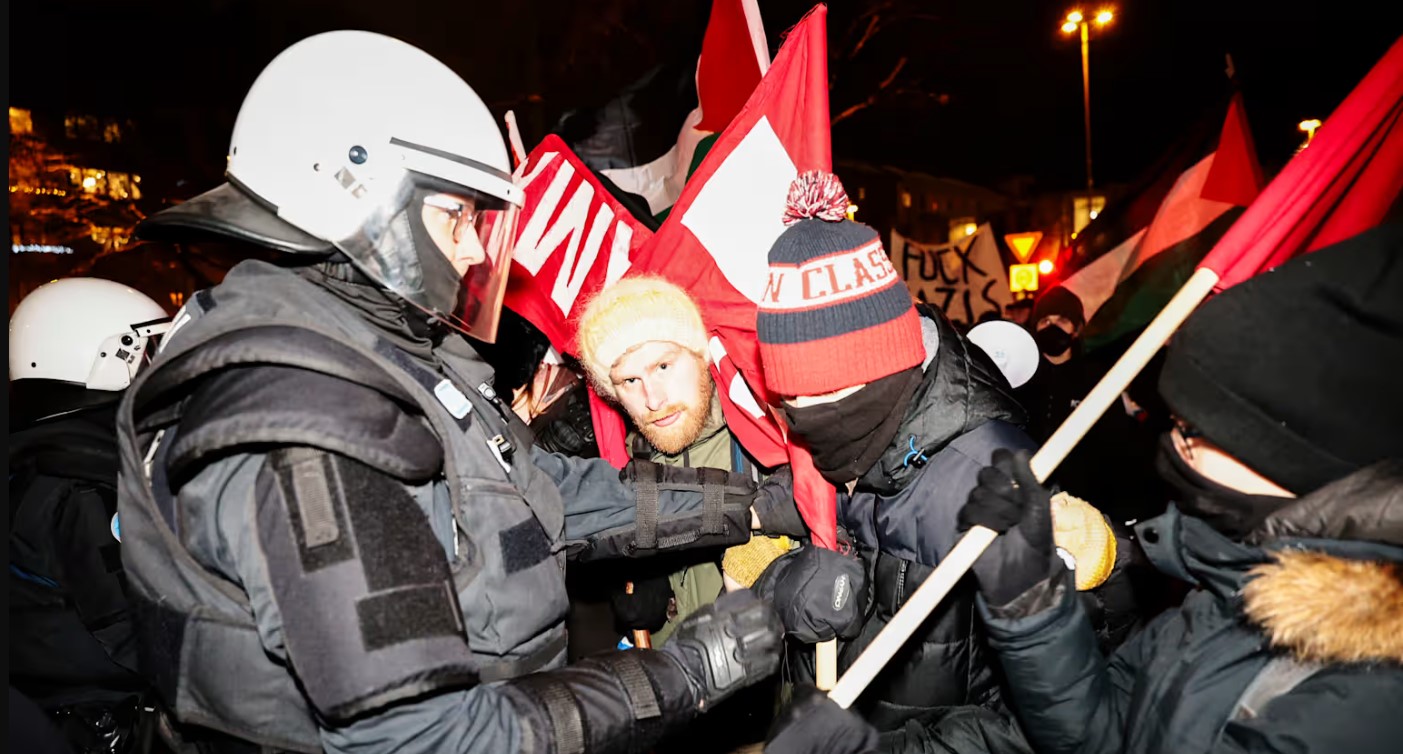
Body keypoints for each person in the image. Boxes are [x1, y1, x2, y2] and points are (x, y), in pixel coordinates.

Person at [116, 31, 793, 754]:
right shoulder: (303, 427)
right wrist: (690, 671)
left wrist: (741, 504)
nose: (473, 249)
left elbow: (537, 498)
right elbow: (427, 737)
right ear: (355, 202)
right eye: (456, 218)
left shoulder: (378, 357)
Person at [779, 222, 1403, 753]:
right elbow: (1094, 734)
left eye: (1196, 432)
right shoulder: (1220, 591)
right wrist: (1032, 611)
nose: (1174, 449)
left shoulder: (1363, 694)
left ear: (1290, 458)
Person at [750, 170, 1040, 731]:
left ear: (886, 364)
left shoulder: (985, 471)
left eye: (832, 391)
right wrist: (787, 590)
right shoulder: (837, 454)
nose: (814, 414)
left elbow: (1039, 720)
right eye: (794, 397)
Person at [576, 276, 807, 750]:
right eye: (630, 380)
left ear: (700, 353)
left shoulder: (767, 437)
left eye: (663, 365)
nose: (654, 399)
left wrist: (784, 565)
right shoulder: (626, 467)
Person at [9, 277, 171, 754]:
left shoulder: (40, 456)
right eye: (148, 352)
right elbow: (142, 631)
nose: (159, 368)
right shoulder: (84, 480)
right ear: (105, 360)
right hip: (107, 727)